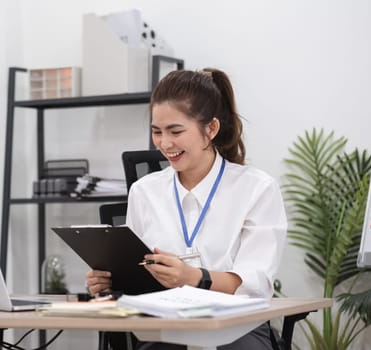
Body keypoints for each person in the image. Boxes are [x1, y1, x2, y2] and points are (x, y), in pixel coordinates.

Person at [86, 68, 287, 350]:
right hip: (166, 328)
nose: (165, 144)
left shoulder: (257, 189)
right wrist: (109, 282)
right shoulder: (144, 192)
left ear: (211, 129)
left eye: (176, 131)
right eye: (157, 132)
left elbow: (254, 284)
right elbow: (135, 275)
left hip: (235, 329)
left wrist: (194, 277)